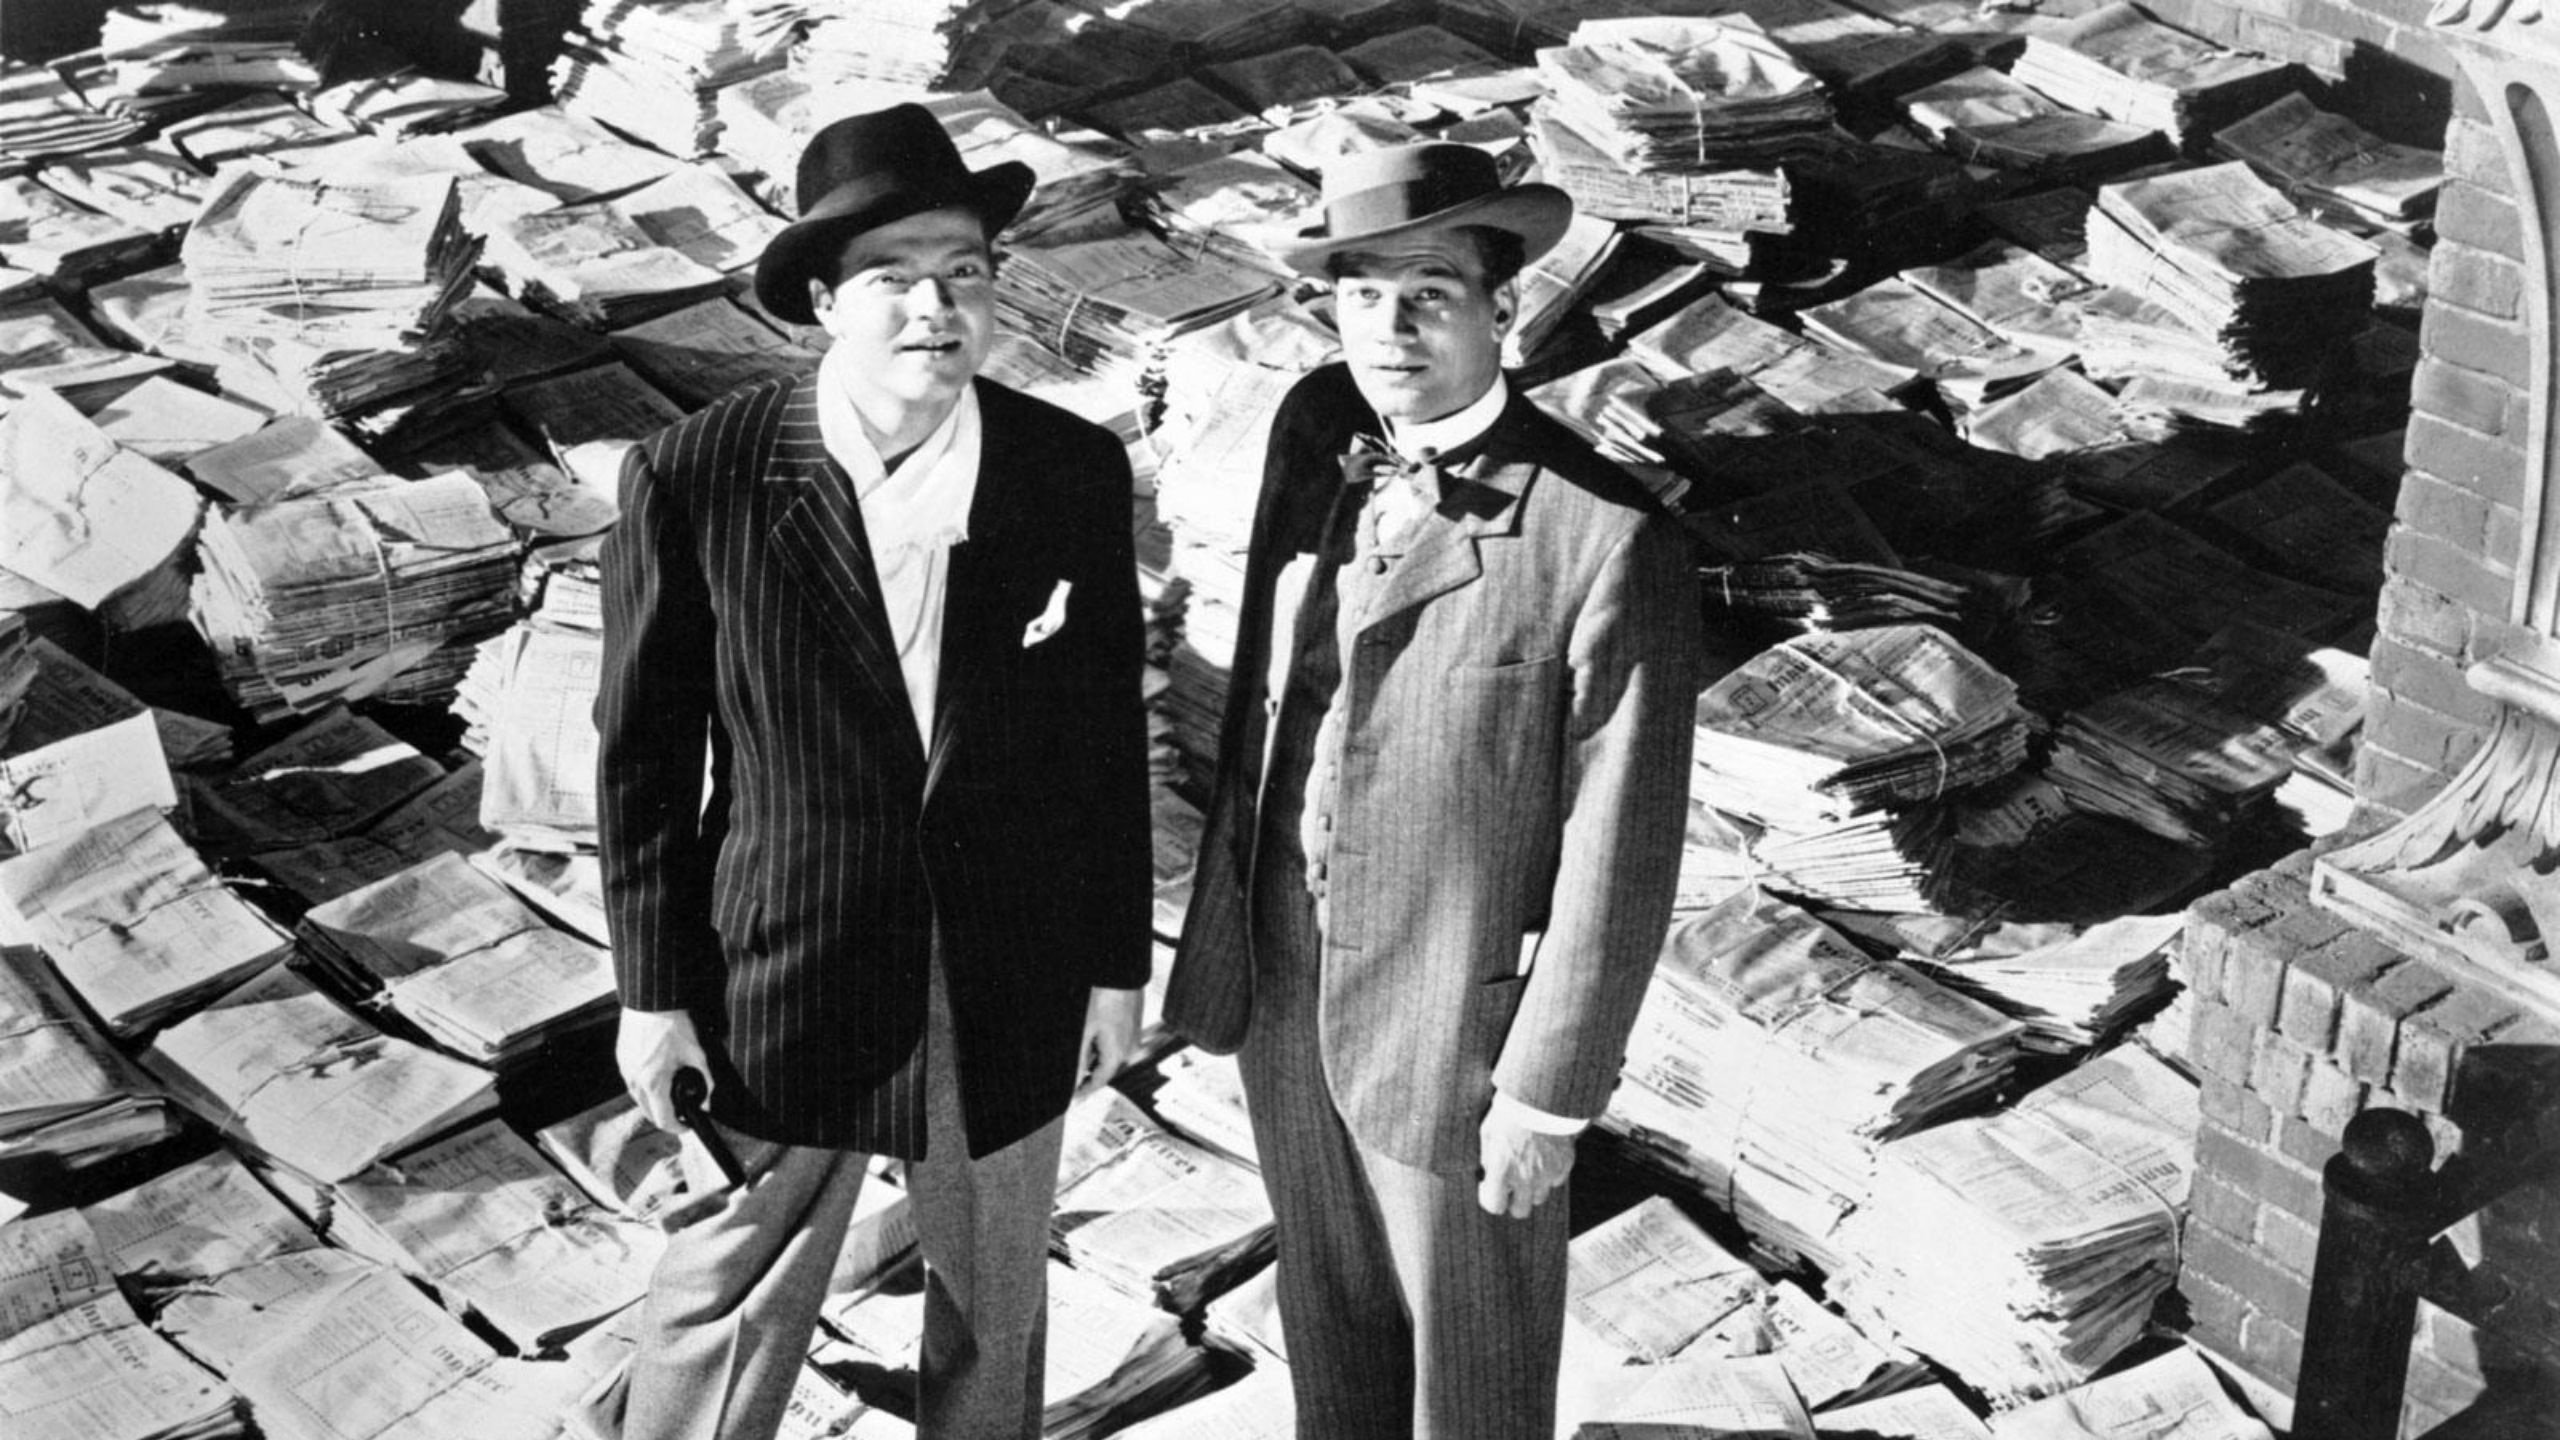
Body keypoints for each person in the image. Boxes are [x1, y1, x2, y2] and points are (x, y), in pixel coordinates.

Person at [594, 103, 1151, 1440]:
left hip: (1005, 957)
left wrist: (1116, 967)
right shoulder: (698, 479)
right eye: (894, 276)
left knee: (995, 1297)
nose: (935, 307)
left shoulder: (1067, 469)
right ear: (825, 303)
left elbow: (1101, 744)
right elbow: (642, 761)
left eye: (965, 271)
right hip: (791, 956)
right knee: (731, 1290)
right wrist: (653, 992)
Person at [1163, 141, 1702, 1439]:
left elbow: (1620, 854)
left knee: (1470, 1394)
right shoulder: (1317, 430)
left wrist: (1547, 1095)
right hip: (1284, 984)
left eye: (1430, 294)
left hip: (1452, 1032)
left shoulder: (1604, 537)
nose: (1391, 329)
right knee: (1334, 1355)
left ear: (1504, 306)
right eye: (1361, 294)